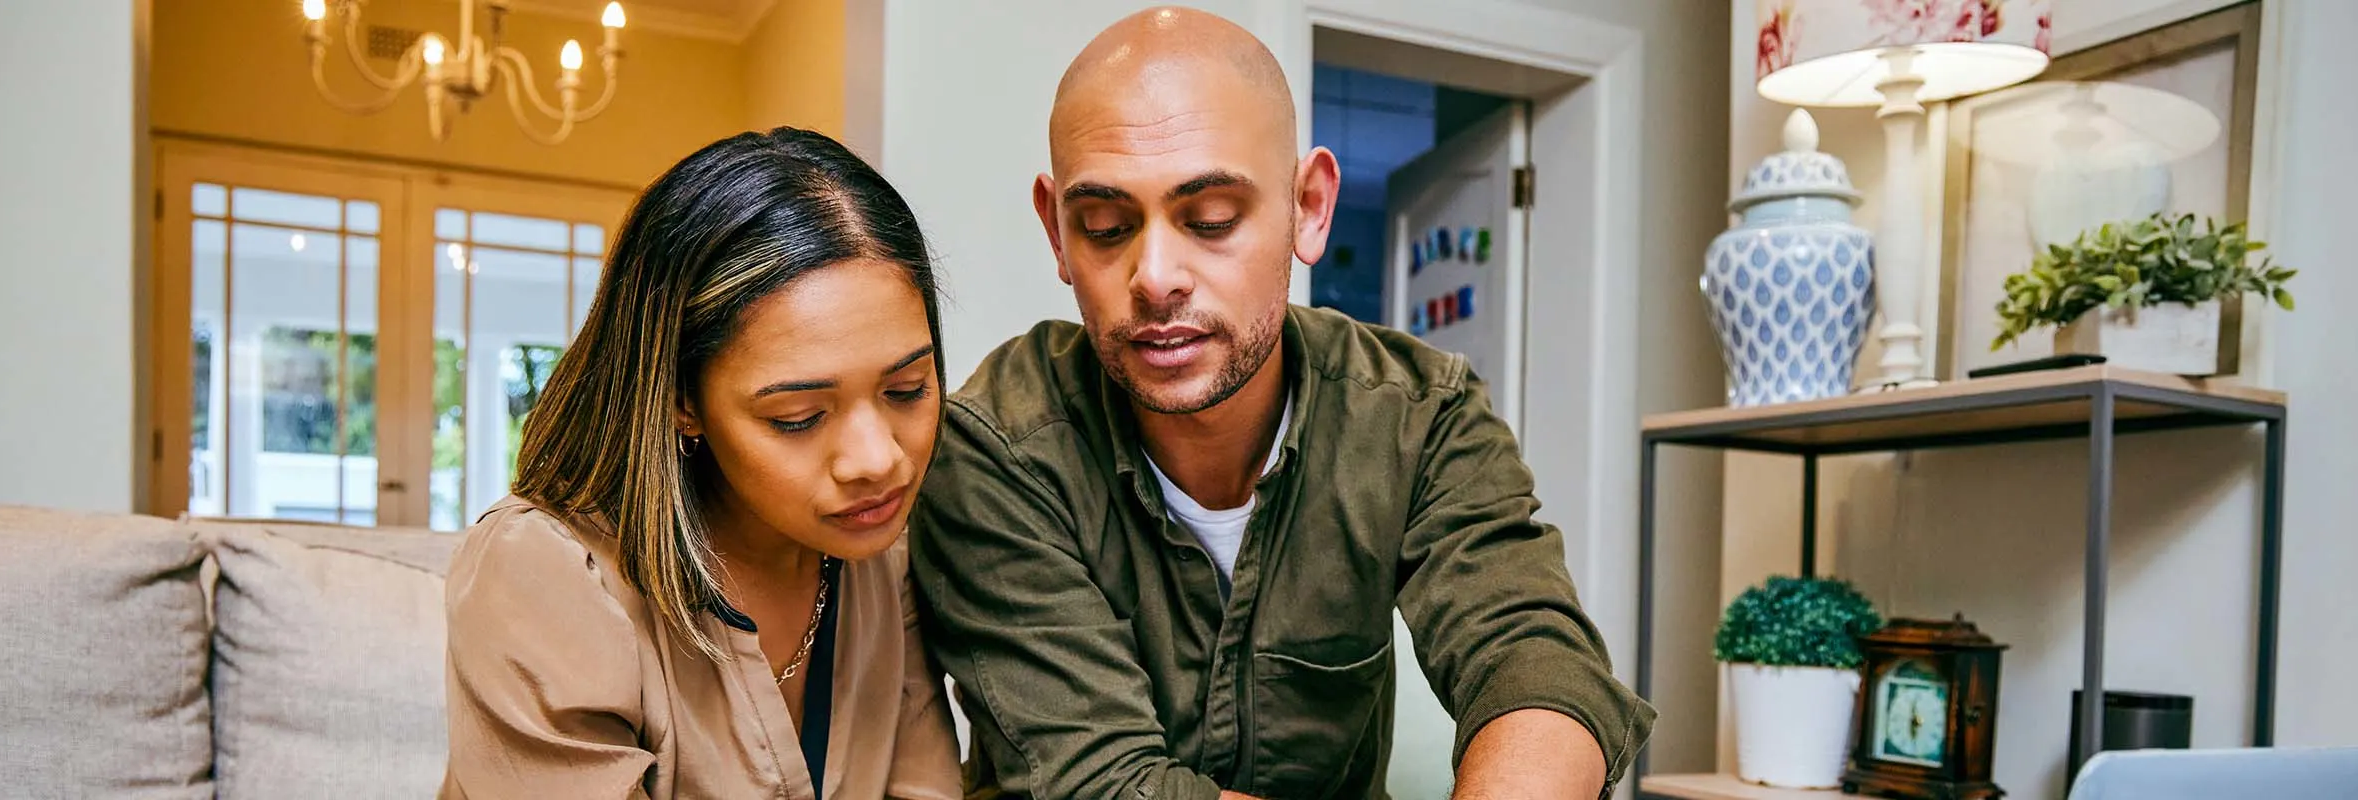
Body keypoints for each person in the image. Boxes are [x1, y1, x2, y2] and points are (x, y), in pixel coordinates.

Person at [909, 8, 1655, 800]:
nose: (1155, 276)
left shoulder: (1419, 416)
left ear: (1311, 206)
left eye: (1210, 220)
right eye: (1104, 226)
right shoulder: (996, 447)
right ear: (1057, 233)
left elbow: (1533, 661)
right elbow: (1109, 785)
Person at [440, 127, 961, 800]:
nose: (878, 459)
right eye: (797, 418)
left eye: (907, 390)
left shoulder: (887, 559)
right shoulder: (543, 576)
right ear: (682, 402)